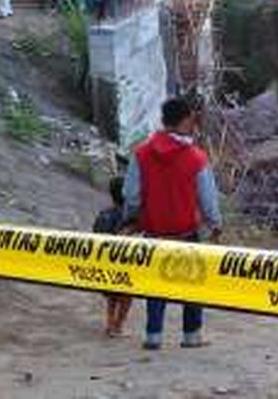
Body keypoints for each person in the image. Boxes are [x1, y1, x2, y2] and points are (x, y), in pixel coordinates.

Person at [123, 97, 223, 351]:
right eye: (192, 119)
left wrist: (133, 218)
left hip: (154, 231)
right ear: (187, 119)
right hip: (186, 232)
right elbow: (208, 198)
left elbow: (131, 193)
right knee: (192, 284)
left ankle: (153, 335)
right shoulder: (196, 158)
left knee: (155, 284)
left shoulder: (142, 153)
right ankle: (191, 335)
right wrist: (215, 224)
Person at [93, 177, 133, 338]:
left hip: (104, 261)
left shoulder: (104, 213)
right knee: (127, 296)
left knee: (111, 296)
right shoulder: (127, 216)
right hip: (121, 262)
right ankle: (118, 326)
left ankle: (110, 323)